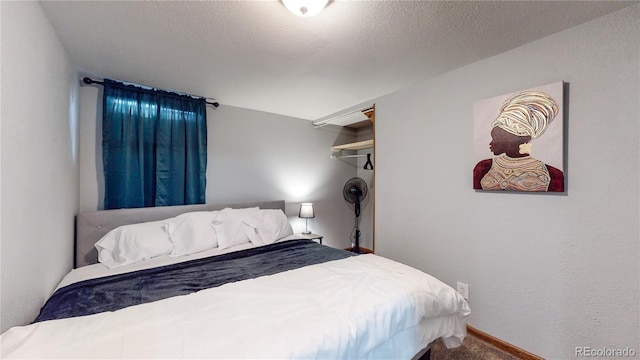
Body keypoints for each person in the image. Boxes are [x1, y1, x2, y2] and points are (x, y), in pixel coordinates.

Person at [473, 91, 564, 192]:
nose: (491, 143)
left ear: (511, 140)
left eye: (495, 138)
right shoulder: (483, 167)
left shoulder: (552, 174)